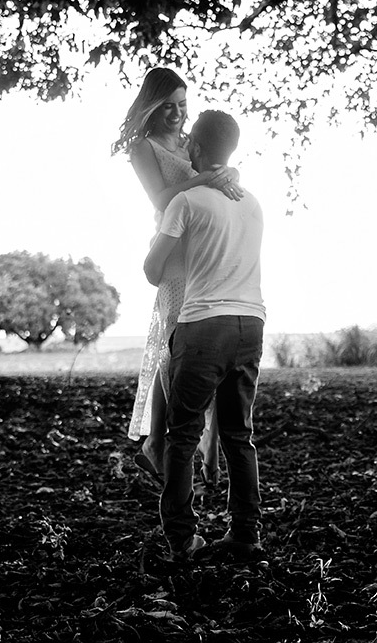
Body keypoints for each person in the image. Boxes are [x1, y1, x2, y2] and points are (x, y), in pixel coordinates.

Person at [143, 110, 266, 562]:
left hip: (202, 326)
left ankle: (181, 538)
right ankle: (246, 534)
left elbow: (153, 271)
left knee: (183, 435)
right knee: (238, 434)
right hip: (251, 322)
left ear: (194, 147)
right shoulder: (251, 201)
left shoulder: (186, 202)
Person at [112, 67, 242, 487]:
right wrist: (206, 178)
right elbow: (162, 198)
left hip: (206, 247)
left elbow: (220, 169)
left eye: (182, 105)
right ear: (151, 106)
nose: (176, 114)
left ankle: (190, 446)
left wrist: (229, 175)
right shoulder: (143, 149)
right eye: (167, 106)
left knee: (200, 347)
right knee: (174, 347)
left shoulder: (191, 144)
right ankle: (159, 444)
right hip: (173, 252)